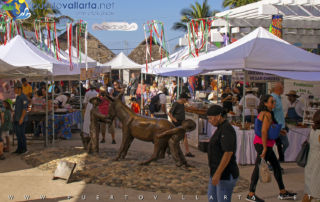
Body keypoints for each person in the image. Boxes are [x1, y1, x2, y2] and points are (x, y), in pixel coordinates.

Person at [246, 94, 296, 202]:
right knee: (258, 167)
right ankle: (251, 194)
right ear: (265, 103)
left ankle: (282, 192)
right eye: (272, 102)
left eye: (274, 101)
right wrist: (264, 148)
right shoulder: (267, 114)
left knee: (276, 167)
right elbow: (264, 131)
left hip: (264, 144)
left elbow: (268, 129)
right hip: (264, 145)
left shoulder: (266, 113)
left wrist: (279, 131)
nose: (274, 103)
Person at [206, 105, 239, 202]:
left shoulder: (226, 129)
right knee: (212, 198)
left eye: (210, 118)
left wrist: (218, 173)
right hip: (216, 172)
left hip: (225, 174)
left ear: (218, 116)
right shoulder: (220, 127)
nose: (209, 121)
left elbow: (228, 153)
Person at [168, 92, 194, 157]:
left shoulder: (182, 104)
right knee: (176, 137)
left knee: (184, 136)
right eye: (186, 99)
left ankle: (187, 151)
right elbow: (170, 113)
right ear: (182, 98)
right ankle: (171, 150)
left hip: (182, 122)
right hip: (176, 122)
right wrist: (174, 120)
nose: (187, 100)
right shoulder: (176, 104)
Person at [303, 110, 320, 202]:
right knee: (315, 191)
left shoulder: (313, 130)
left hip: (311, 160)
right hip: (317, 162)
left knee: (309, 190)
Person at [271, 82, 289, 163]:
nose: (283, 90)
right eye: (282, 88)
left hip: (281, 126)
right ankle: (275, 163)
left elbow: (279, 114)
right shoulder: (273, 98)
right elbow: (271, 113)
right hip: (276, 126)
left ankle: (276, 161)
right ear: (279, 89)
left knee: (285, 144)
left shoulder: (278, 98)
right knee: (278, 146)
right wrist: (274, 125)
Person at [13, 82, 28, 154]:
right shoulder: (17, 97)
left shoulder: (23, 97)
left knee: (21, 134)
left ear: (19, 89)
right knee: (18, 135)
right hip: (16, 118)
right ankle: (19, 149)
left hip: (21, 119)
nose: (14, 90)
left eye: (15, 89)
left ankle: (24, 149)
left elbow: (25, 109)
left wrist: (21, 118)